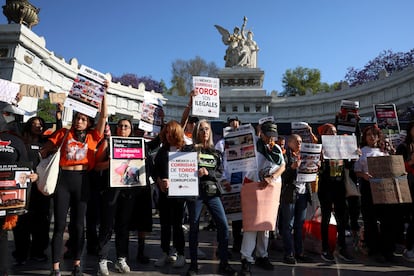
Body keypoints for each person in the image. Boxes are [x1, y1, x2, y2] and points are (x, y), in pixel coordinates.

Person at [40, 81, 108, 276]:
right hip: (63, 180)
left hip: (83, 180)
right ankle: (55, 267)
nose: (79, 121)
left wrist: (103, 93)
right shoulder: (63, 133)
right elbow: (46, 150)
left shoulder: (94, 136)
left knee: (79, 226)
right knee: (59, 225)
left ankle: (77, 263)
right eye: (77, 118)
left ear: (88, 123)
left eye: (83, 119)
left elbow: (103, 116)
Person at [186, 119, 237, 276]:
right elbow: (180, 168)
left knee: (223, 225)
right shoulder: (189, 150)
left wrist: (208, 173)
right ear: (196, 132)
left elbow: (220, 172)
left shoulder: (216, 152)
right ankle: (193, 265)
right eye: (201, 129)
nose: (204, 132)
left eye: (207, 129)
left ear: (210, 132)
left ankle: (224, 263)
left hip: (213, 192)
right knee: (193, 228)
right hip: (195, 193)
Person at [239, 121, 285, 275]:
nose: (270, 140)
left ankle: (262, 255)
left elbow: (282, 166)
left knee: (265, 226)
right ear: (262, 134)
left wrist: (272, 177)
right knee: (252, 225)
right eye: (268, 136)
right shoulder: (254, 146)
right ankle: (246, 258)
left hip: (270, 189)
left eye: (273, 137)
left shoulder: (276, 148)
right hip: (254, 187)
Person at [96, 119, 140, 275]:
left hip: (128, 191)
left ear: (131, 130)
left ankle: (121, 258)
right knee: (107, 225)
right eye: (120, 126)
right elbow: (96, 165)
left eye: (126, 127)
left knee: (123, 226)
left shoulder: (137, 145)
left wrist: (142, 164)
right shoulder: (108, 143)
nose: (123, 128)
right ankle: (102, 260)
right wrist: (109, 163)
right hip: (110, 190)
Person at [0, 100, 38, 275]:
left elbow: (25, 169)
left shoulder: (17, 141)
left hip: (7, 199)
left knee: (2, 235)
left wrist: (31, 176)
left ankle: (4, 269)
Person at [354, 125, 397, 262]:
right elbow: (356, 170)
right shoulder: (362, 151)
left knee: (387, 219)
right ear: (365, 138)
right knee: (370, 219)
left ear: (379, 136)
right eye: (368, 135)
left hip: (384, 187)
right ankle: (373, 247)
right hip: (368, 187)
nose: (371, 137)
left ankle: (388, 249)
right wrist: (364, 175)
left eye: (374, 134)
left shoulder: (385, 150)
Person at [317, 123, 354, 262]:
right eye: (329, 132)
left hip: (339, 186)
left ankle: (342, 247)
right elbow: (317, 168)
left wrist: (353, 156)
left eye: (334, 132)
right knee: (326, 217)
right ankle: (325, 248)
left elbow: (348, 166)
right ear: (323, 134)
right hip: (325, 187)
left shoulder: (341, 147)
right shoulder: (319, 148)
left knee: (342, 218)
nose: (332, 134)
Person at [153, 120, 187, 268]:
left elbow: (189, 172)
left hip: (180, 196)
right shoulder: (162, 151)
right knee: (165, 225)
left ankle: (180, 254)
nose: (167, 135)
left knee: (178, 225)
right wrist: (159, 181)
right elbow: (155, 170)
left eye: (170, 132)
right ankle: (165, 253)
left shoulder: (186, 150)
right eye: (165, 132)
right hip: (164, 195)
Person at [280, 134, 313, 264]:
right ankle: (288, 253)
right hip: (290, 194)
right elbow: (281, 178)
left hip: (303, 193)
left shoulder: (306, 155)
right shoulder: (285, 156)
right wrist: (292, 168)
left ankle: (299, 252)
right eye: (296, 142)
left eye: (300, 142)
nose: (299, 144)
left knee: (299, 225)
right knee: (288, 225)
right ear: (289, 143)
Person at [215, 116, 243, 253]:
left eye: (237, 126)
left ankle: (237, 245)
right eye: (232, 126)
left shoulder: (245, 142)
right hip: (226, 183)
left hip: (241, 183)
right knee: (222, 218)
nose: (234, 128)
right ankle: (222, 247)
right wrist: (222, 179)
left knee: (238, 219)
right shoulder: (221, 144)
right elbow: (216, 165)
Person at [396, 121, 414, 261]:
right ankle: (409, 247)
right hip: (408, 184)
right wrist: (410, 163)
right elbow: (397, 167)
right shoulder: (403, 147)